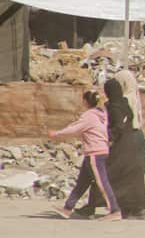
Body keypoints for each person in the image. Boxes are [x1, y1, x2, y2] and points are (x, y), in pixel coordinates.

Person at [49, 90, 120, 220]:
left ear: (86, 102)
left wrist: (58, 134)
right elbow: (77, 125)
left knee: (102, 182)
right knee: (82, 183)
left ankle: (115, 210)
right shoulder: (101, 114)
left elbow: (75, 128)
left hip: (95, 153)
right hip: (98, 151)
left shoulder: (89, 116)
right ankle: (68, 208)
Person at [94, 74, 145, 219]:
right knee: (132, 177)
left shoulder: (122, 101)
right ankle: (133, 209)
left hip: (126, 140)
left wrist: (109, 138)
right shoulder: (132, 98)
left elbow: (119, 125)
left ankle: (100, 204)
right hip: (136, 139)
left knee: (113, 172)